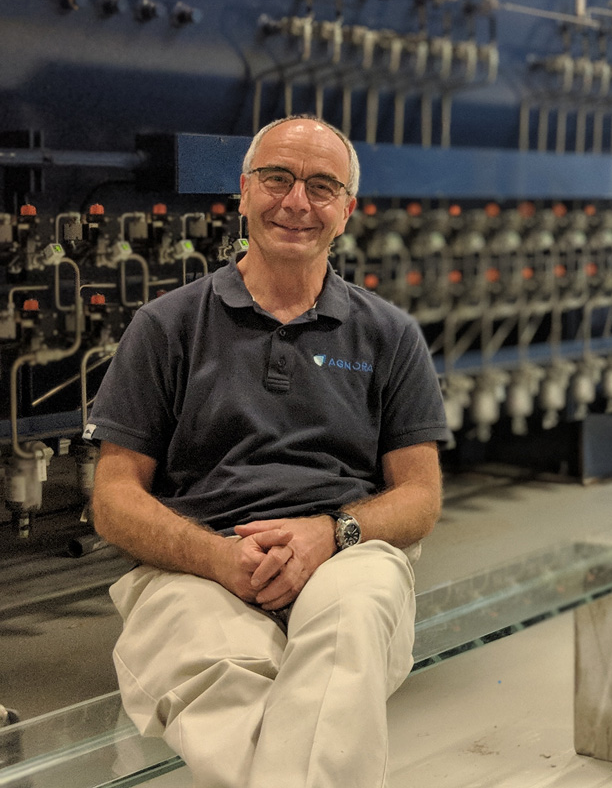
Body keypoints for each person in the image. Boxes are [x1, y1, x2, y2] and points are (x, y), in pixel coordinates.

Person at [89, 116, 451, 788]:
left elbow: (419, 499)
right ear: (244, 189)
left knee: (348, 631)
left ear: (346, 210)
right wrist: (219, 558)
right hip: (193, 565)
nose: (295, 203)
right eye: (277, 179)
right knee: (226, 680)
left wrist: (332, 533)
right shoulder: (165, 326)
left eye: (321, 187)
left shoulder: (389, 334)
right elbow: (113, 500)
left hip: (346, 554)